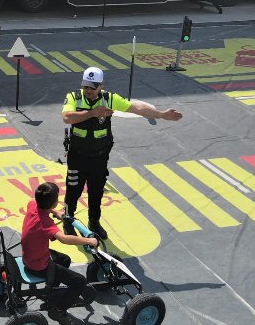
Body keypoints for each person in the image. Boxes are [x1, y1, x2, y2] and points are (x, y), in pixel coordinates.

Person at [61, 67, 183, 240]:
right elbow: (67, 117)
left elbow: (137, 108)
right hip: (77, 156)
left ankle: (94, 222)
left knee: (96, 192)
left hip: (99, 157)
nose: (88, 90)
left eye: (92, 87)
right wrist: (94, 113)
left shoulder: (109, 99)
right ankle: (68, 220)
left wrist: (161, 114)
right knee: (73, 190)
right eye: (86, 86)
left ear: (101, 85)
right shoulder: (74, 97)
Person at [21, 182, 98, 325]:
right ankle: (58, 310)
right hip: (38, 265)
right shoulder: (45, 223)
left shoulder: (33, 206)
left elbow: (35, 204)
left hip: (29, 256)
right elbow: (64, 239)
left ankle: (50, 292)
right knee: (80, 282)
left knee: (64, 259)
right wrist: (89, 240)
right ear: (55, 202)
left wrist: (56, 213)